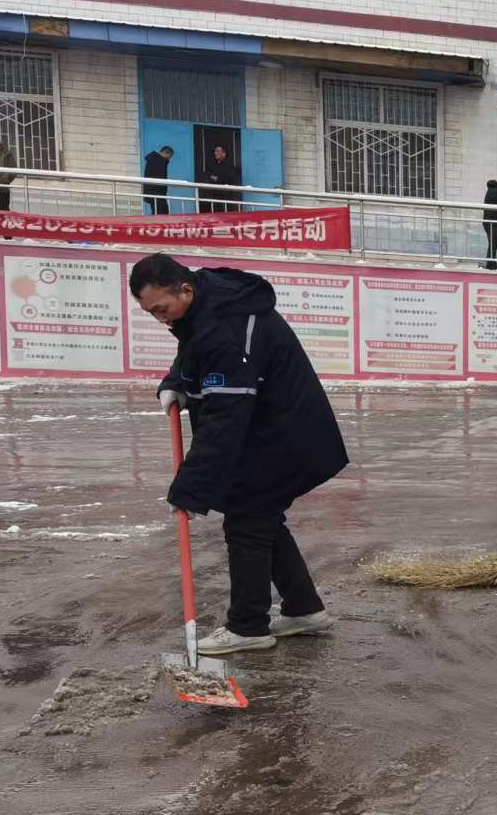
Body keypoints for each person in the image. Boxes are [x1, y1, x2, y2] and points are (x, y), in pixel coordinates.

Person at [132, 254, 348, 654]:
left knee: (248, 520)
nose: (160, 319)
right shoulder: (208, 302)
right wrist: (176, 381)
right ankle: (304, 609)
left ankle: (248, 627)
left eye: (161, 309)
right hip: (275, 427)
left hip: (284, 434)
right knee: (262, 518)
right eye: (151, 313)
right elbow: (192, 349)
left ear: (185, 289)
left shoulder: (227, 327)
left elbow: (224, 419)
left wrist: (190, 487)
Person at [199, 145, 241, 213]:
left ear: (224, 153)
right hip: (214, 196)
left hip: (226, 196)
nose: (215, 153)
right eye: (215, 151)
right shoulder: (213, 164)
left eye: (218, 151)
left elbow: (228, 178)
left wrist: (217, 178)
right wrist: (213, 177)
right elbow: (207, 175)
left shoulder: (228, 165)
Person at [142, 146, 173, 215]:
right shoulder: (160, 161)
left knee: (156, 212)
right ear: (166, 153)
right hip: (157, 192)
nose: (169, 159)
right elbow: (161, 177)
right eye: (169, 157)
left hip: (151, 191)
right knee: (161, 213)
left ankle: (154, 224)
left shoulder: (153, 159)